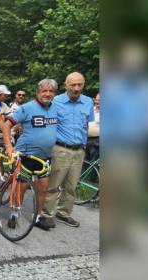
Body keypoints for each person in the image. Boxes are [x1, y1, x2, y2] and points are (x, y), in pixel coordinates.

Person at [2, 79, 60, 231]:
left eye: (51, 91)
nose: (47, 94)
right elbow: (7, 125)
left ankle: (38, 217)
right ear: (38, 92)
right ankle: (14, 213)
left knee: (43, 188)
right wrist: (9, 147)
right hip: (26, 156)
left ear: (54, 93)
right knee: (21, 187)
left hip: (45, 157)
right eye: (44, 91)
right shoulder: (27, 107)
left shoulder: (56, 108)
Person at [42, 72, 95, 228]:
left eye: (80, 84)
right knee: (53, 185)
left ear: (84, 85)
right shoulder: (55, 101)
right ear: (66, 85)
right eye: (73, 85)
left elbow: (86, 125)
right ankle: (46, 214)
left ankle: (64, 213)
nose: (76, 88)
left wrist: (84, 145)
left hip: (79, 151)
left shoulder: (88, 102)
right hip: (60, 149)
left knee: (71, 186)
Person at [86, 93, 100, 161]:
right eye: (96, 100)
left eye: (99, 100)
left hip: (97, 141)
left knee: (94, 161)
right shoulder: (91, 109)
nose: (97, 102)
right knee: (85, 161)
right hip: (86, 139)